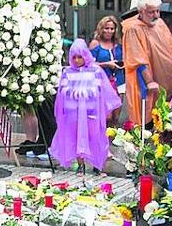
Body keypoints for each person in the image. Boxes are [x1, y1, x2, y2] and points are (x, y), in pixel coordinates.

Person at [51, 39, 122, 172]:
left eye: (80, 57)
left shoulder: (96, 71)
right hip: (73, 113)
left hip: (92, 113)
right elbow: (62, 94)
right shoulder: (67, 72)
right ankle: (80, 165)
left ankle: (97, 165)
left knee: (96, 137)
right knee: (75, 138)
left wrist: (103, 109)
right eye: (74, 57)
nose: (77, 60)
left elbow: (105, 92)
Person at [122, 0, 172, 126]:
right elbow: (137, 59)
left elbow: (170, 49)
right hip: (145, 82)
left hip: (165, 81)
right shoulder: (133, 28)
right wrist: (149, 81)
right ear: (141, 12)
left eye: (157, 11)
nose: (156, 15)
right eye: (151, 12)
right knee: (147, 120)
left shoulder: (160, 23)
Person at [88, 15, 125, 127]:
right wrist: (106, 64)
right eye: (106, 28)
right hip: (102, 82)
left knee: (116, 115)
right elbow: (89, 64)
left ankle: (113, 136)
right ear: (101, 29)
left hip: (119, 80)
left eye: (112, 28)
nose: (109, 31)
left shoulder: (118, 44)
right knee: (106, 115)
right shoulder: (95, 44)